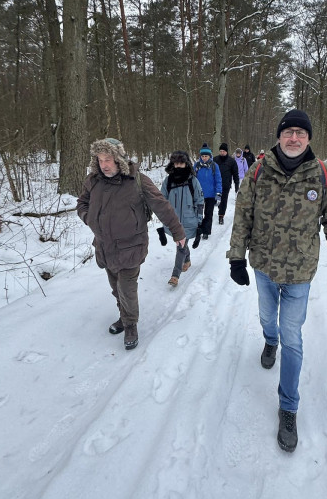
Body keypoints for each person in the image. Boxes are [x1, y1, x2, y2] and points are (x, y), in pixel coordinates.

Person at [227, 109, 327, 453]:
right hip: (264, 267)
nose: (293, 138)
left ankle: (289, 407)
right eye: (288, 132)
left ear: (309, 138)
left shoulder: (323, 175)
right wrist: (236, 256)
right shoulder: (258, 170)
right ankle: (269, 340)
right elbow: (243, 215)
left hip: (299, 274)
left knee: (292, 337)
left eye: (300, 132)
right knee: (269, 320)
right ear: (279, 135)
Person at [77, 138, 185, 351]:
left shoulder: (137, 181)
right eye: (100, 160)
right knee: (115, 287)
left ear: (118, 159)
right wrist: (88, 217)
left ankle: (130, 325)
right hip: (105, 247)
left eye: (108, 159)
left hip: (131, 247)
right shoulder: (93, 181)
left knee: (127, 288)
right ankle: (123, 315)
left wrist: (177, 231)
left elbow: (162, 206)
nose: (104, 164)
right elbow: (82, 203)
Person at [159, 151, 204, 287]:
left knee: (180, 245)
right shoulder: (168, 181)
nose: (178, 166)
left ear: (186, 164)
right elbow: (161, 200)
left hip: (189, 220)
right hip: (173, 221)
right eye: (176, 163)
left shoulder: (193, 181)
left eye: (181, 163)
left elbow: (199, 201)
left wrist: (199, 220)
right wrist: (164, 217)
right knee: (182, 244)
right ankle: (187, 260)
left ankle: (175, 275)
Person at [194, 145, 222, 239]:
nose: (204, 158)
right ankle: (199, 229)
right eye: (202, 156)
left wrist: (218, 193)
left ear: (210, 156)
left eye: (206, 156)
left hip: (210, 194)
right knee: (198, 213)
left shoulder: (214, 166)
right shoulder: (197, 166)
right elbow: (192, 179)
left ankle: (206, 231)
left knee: (208, 214)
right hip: (199, 194)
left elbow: (218, 180)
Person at [215, 143, 239, 225]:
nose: (222, 153)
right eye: (220, 151)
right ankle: (218, 208)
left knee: (224, 200)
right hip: (216, 185)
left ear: (227, 152)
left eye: (223, 151)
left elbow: (236, 174)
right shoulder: (215, 160)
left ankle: (221, 216)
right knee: (216, 200)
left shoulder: (231, 161)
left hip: (226, 184)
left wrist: (236, 186)